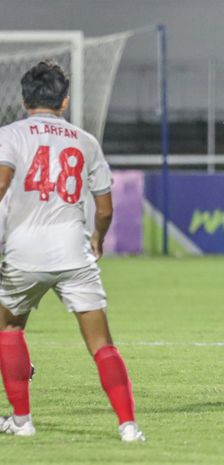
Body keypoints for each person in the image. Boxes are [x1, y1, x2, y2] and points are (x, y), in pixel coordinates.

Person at [0, 60, 144, 442]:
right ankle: (128, 426)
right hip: (72, 250)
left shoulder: (10, 135)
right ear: (64, 100)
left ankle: (22, 420)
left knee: (9, 327)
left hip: (22, 252)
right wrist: (98, 238)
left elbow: (0, 186)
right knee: (101, 344)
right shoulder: (84, 140)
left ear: (23, 98)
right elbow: (105, 208)